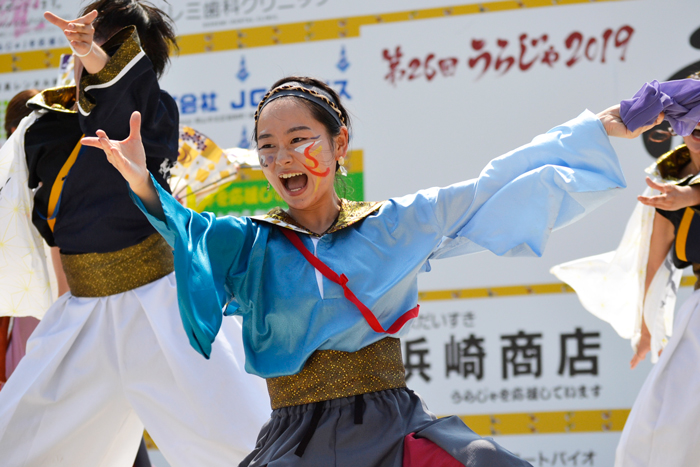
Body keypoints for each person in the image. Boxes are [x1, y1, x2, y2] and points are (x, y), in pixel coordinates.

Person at [84, 75, 660, 466]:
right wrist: (139, 179)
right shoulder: (250, 243)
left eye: (299, 139)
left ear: (339, 145)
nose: (283, 158)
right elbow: (184, 227)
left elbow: (494, 184)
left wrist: (607, 127)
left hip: (392, 427)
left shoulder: (394, 225)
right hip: (297, 437)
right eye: (267, 147)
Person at [0, 2, 269, 467]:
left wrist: (101, 64)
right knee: (22, 449)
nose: (86, 51)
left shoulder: (153, 116)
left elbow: (116, 108)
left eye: (104, 44)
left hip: (161, 307)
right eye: (82, 41)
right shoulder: (41, 128)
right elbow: (49, 231)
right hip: (81, 316)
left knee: (245, 443)